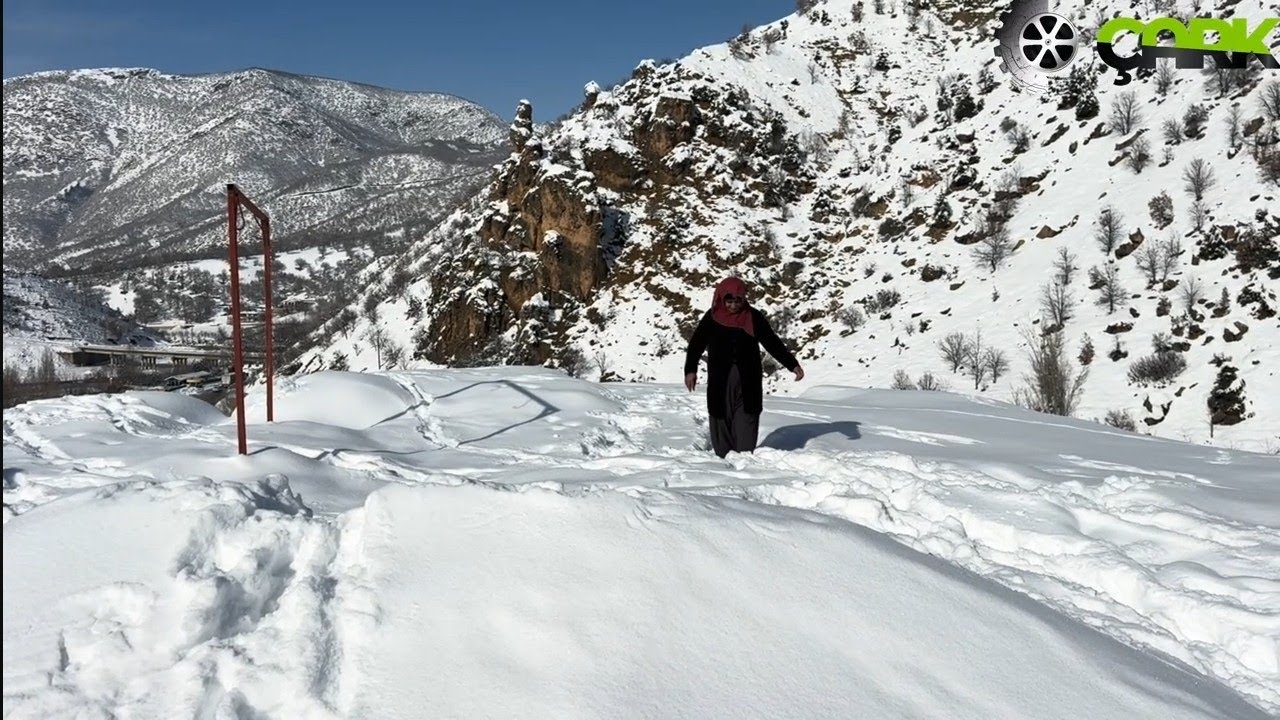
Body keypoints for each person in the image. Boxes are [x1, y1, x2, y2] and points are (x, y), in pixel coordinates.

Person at [683, 276, 804, 458]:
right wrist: (690, 370)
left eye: (737, 301)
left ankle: (745, 462)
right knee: (720, 416)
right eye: (729, 301)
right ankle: (723, 462)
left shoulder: (753, 317)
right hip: (720, 379)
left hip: (748, 379)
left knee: (747, 417)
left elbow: (771, 342)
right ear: (722, 298)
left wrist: (792, 364)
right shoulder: (713, 317)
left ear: (744, 299)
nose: (733, 306)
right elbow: (696, 344)